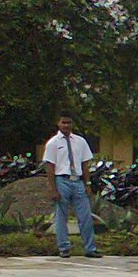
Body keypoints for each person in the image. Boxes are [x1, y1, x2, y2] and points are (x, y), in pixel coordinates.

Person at [42, 110, 101, 259]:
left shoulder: (80, 141)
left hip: (78, 181)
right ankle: (64, 248)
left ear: (72, 124)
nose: (66, 125)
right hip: (62, 180)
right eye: (63, 122)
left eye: (68, 122)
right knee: (62, 216)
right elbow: (50, 167)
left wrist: (87, 183)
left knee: (86, 216)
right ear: (58, 123)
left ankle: (90, 248)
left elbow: (85, 164)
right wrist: (53, 188)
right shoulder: (53, 143)